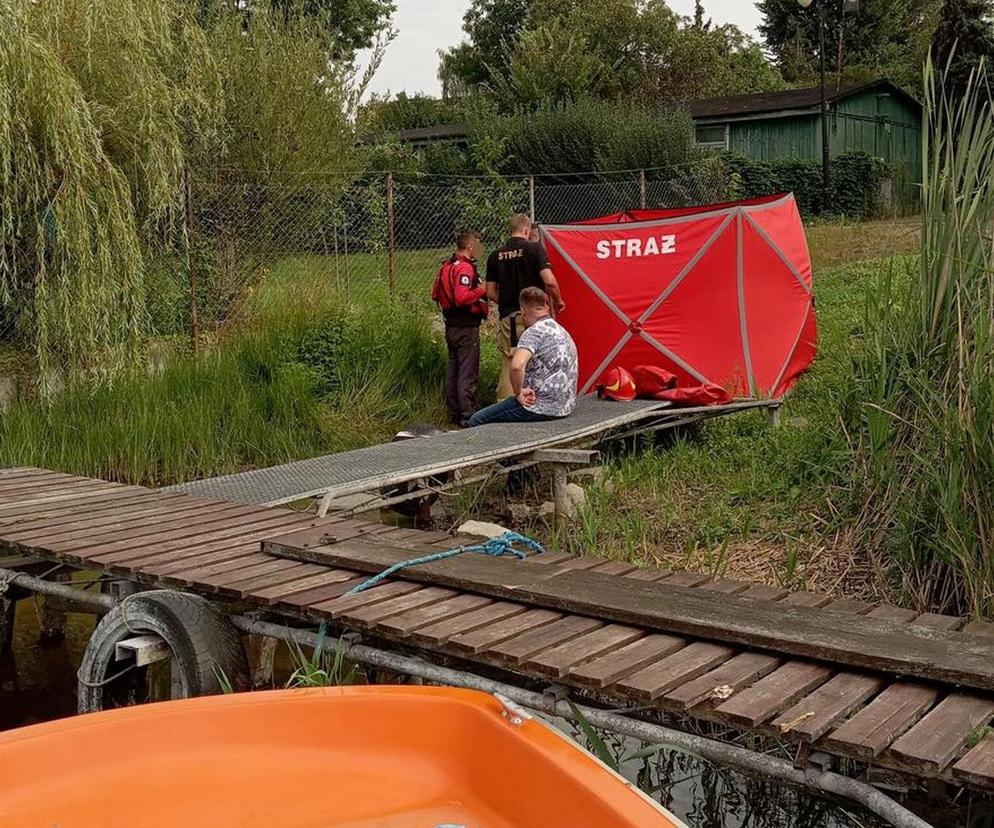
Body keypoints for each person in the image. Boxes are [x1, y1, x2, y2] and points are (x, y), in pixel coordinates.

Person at [469, 287, 577, 426]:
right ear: (546, 305)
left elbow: (516, 366)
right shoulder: (562, 331)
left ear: (523, 312)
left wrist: (518, 393)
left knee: (476, 420)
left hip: (537, 406)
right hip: (564, 407)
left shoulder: (534, 332)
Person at [486, 213, 565, 400]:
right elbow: (549, 281)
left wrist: (507, 302)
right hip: (535, 317)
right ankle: (540, 401)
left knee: (511, 360)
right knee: (540, 359)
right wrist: (558, 301)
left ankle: (505, 405)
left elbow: (489, 292)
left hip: (509, 318)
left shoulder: (494, 255)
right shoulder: (534, 249)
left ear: (509, 231)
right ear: (527, 230)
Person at [432, 228, 488, 426]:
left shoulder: (447, 265)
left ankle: (454, 412)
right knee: (467, 371)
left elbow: (437, 295)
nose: (481, 249)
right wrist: (481, 290)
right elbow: (462, 297)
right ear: (470, 245)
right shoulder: (464, 268)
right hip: (465, 327)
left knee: (454, 369)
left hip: (451, 326)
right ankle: (467, 415)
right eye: (479, 245)